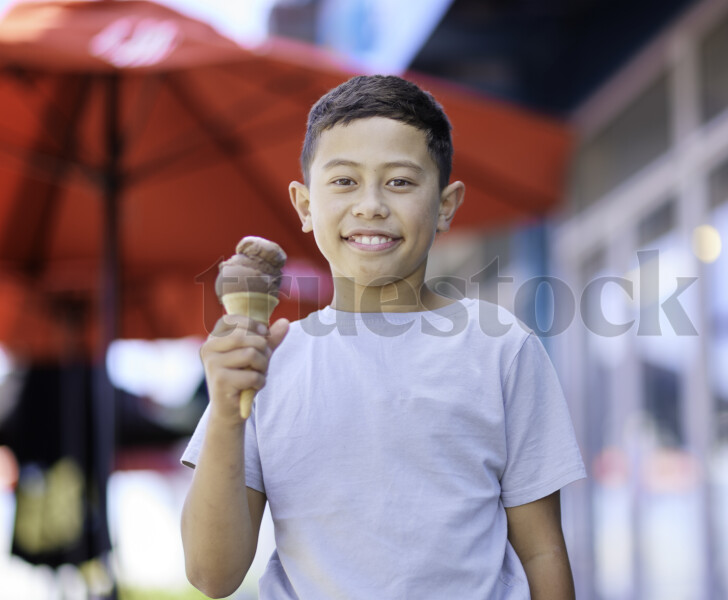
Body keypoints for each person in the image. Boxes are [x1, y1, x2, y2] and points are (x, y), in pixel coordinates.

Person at [180, 74, 585, 599]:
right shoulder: (265, 363)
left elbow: (542, 550)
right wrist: (227, 414)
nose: (370, 205)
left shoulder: (502, 348)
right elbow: (212, 575)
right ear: (304, 205)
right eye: (344, 181)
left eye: (399, 181)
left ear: (445, 203)